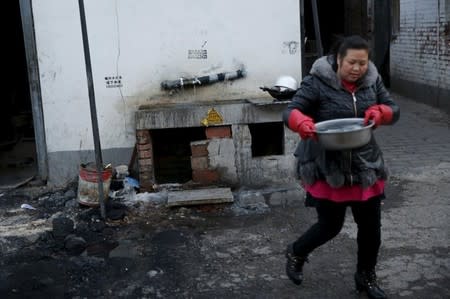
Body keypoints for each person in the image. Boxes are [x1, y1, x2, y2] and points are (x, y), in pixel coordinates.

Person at [282, 35, 399, 299]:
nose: (357, 69)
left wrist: (382, 112)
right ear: (338, 60)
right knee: (330, 226)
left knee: (371, 230)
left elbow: (394, 109)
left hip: (364, 165)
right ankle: (297, 251)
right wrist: (300, 122)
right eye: (351, 63)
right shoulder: (318, 82)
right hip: (327, 167)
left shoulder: (372, 81)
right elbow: (291, 111)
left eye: (362, 63)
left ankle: (365, 278)